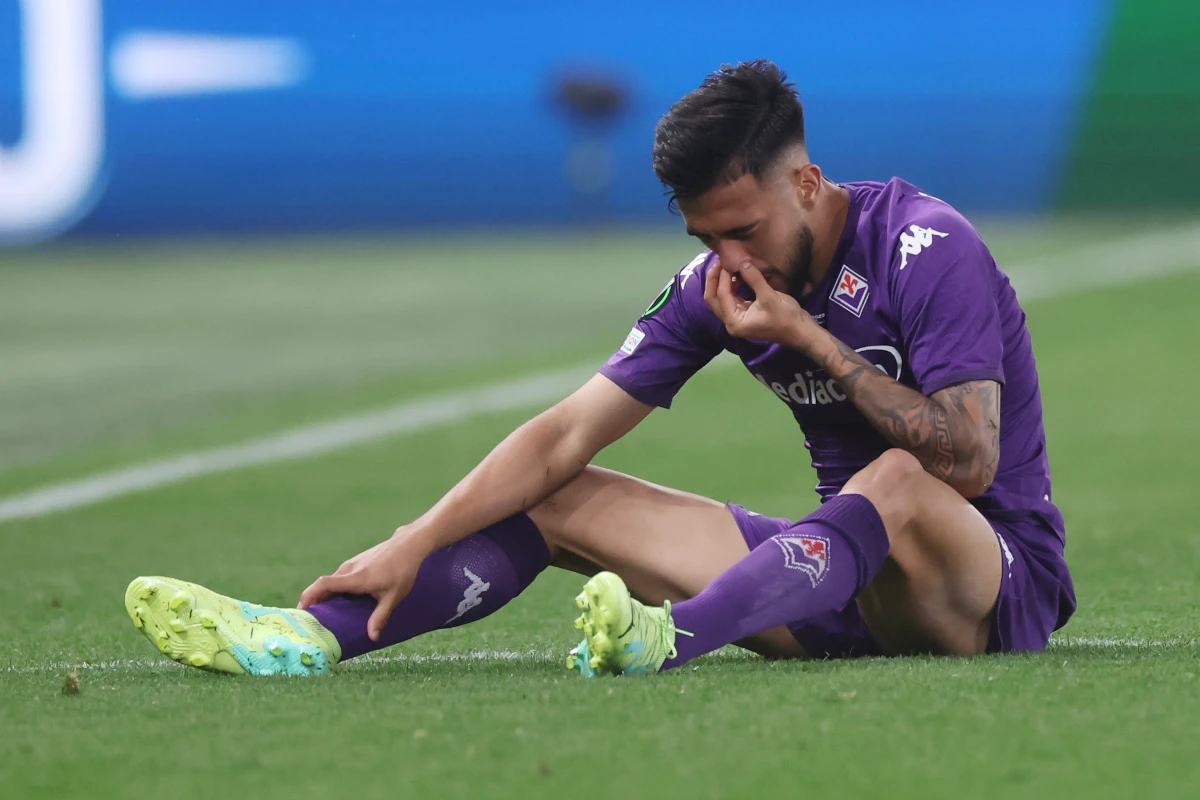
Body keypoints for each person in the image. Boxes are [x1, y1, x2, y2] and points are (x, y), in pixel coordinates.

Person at [125, 60, 1075, 678]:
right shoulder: (716, 285)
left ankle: (674, 637)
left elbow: (968, 462)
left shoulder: (922, 243)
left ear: (808, 185)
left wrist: (813, 339)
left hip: (989, 586)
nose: (729, 262)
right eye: (706, 237)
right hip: (832, 582)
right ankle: (304, 639)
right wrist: (413, 538)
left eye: (742, 230)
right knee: (558, 496)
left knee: (901, 474)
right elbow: (564, 431)